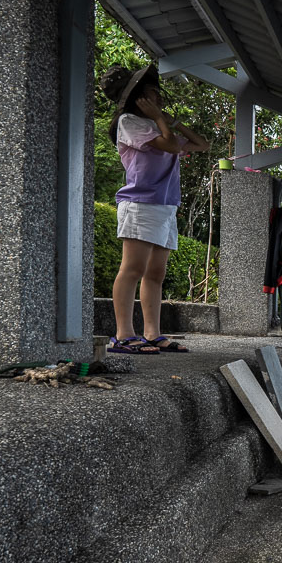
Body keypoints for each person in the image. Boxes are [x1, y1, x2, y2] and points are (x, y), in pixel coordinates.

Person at [99, 64, 210, 354]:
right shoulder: (128, 123)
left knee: (155, 274)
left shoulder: (154, 124)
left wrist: (170, 120)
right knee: (133, 268)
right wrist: (161, 120)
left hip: (164, 205)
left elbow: (202, 144)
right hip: (140, 203)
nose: (159, 97)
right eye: (152, 93)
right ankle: (123, 335)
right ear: (138, 98)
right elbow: (172, 147)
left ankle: (152, 334)